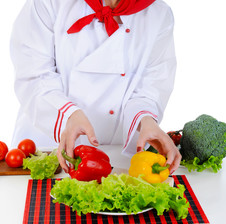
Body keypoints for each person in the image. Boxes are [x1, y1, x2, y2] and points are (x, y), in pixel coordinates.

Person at [10, 0, 181, 174]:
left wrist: (146, 120)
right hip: (48, 148)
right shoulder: (49, 3)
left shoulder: (158, 14)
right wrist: (69, 114)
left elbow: (151, 86)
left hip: (116, 159)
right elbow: (35, 76)